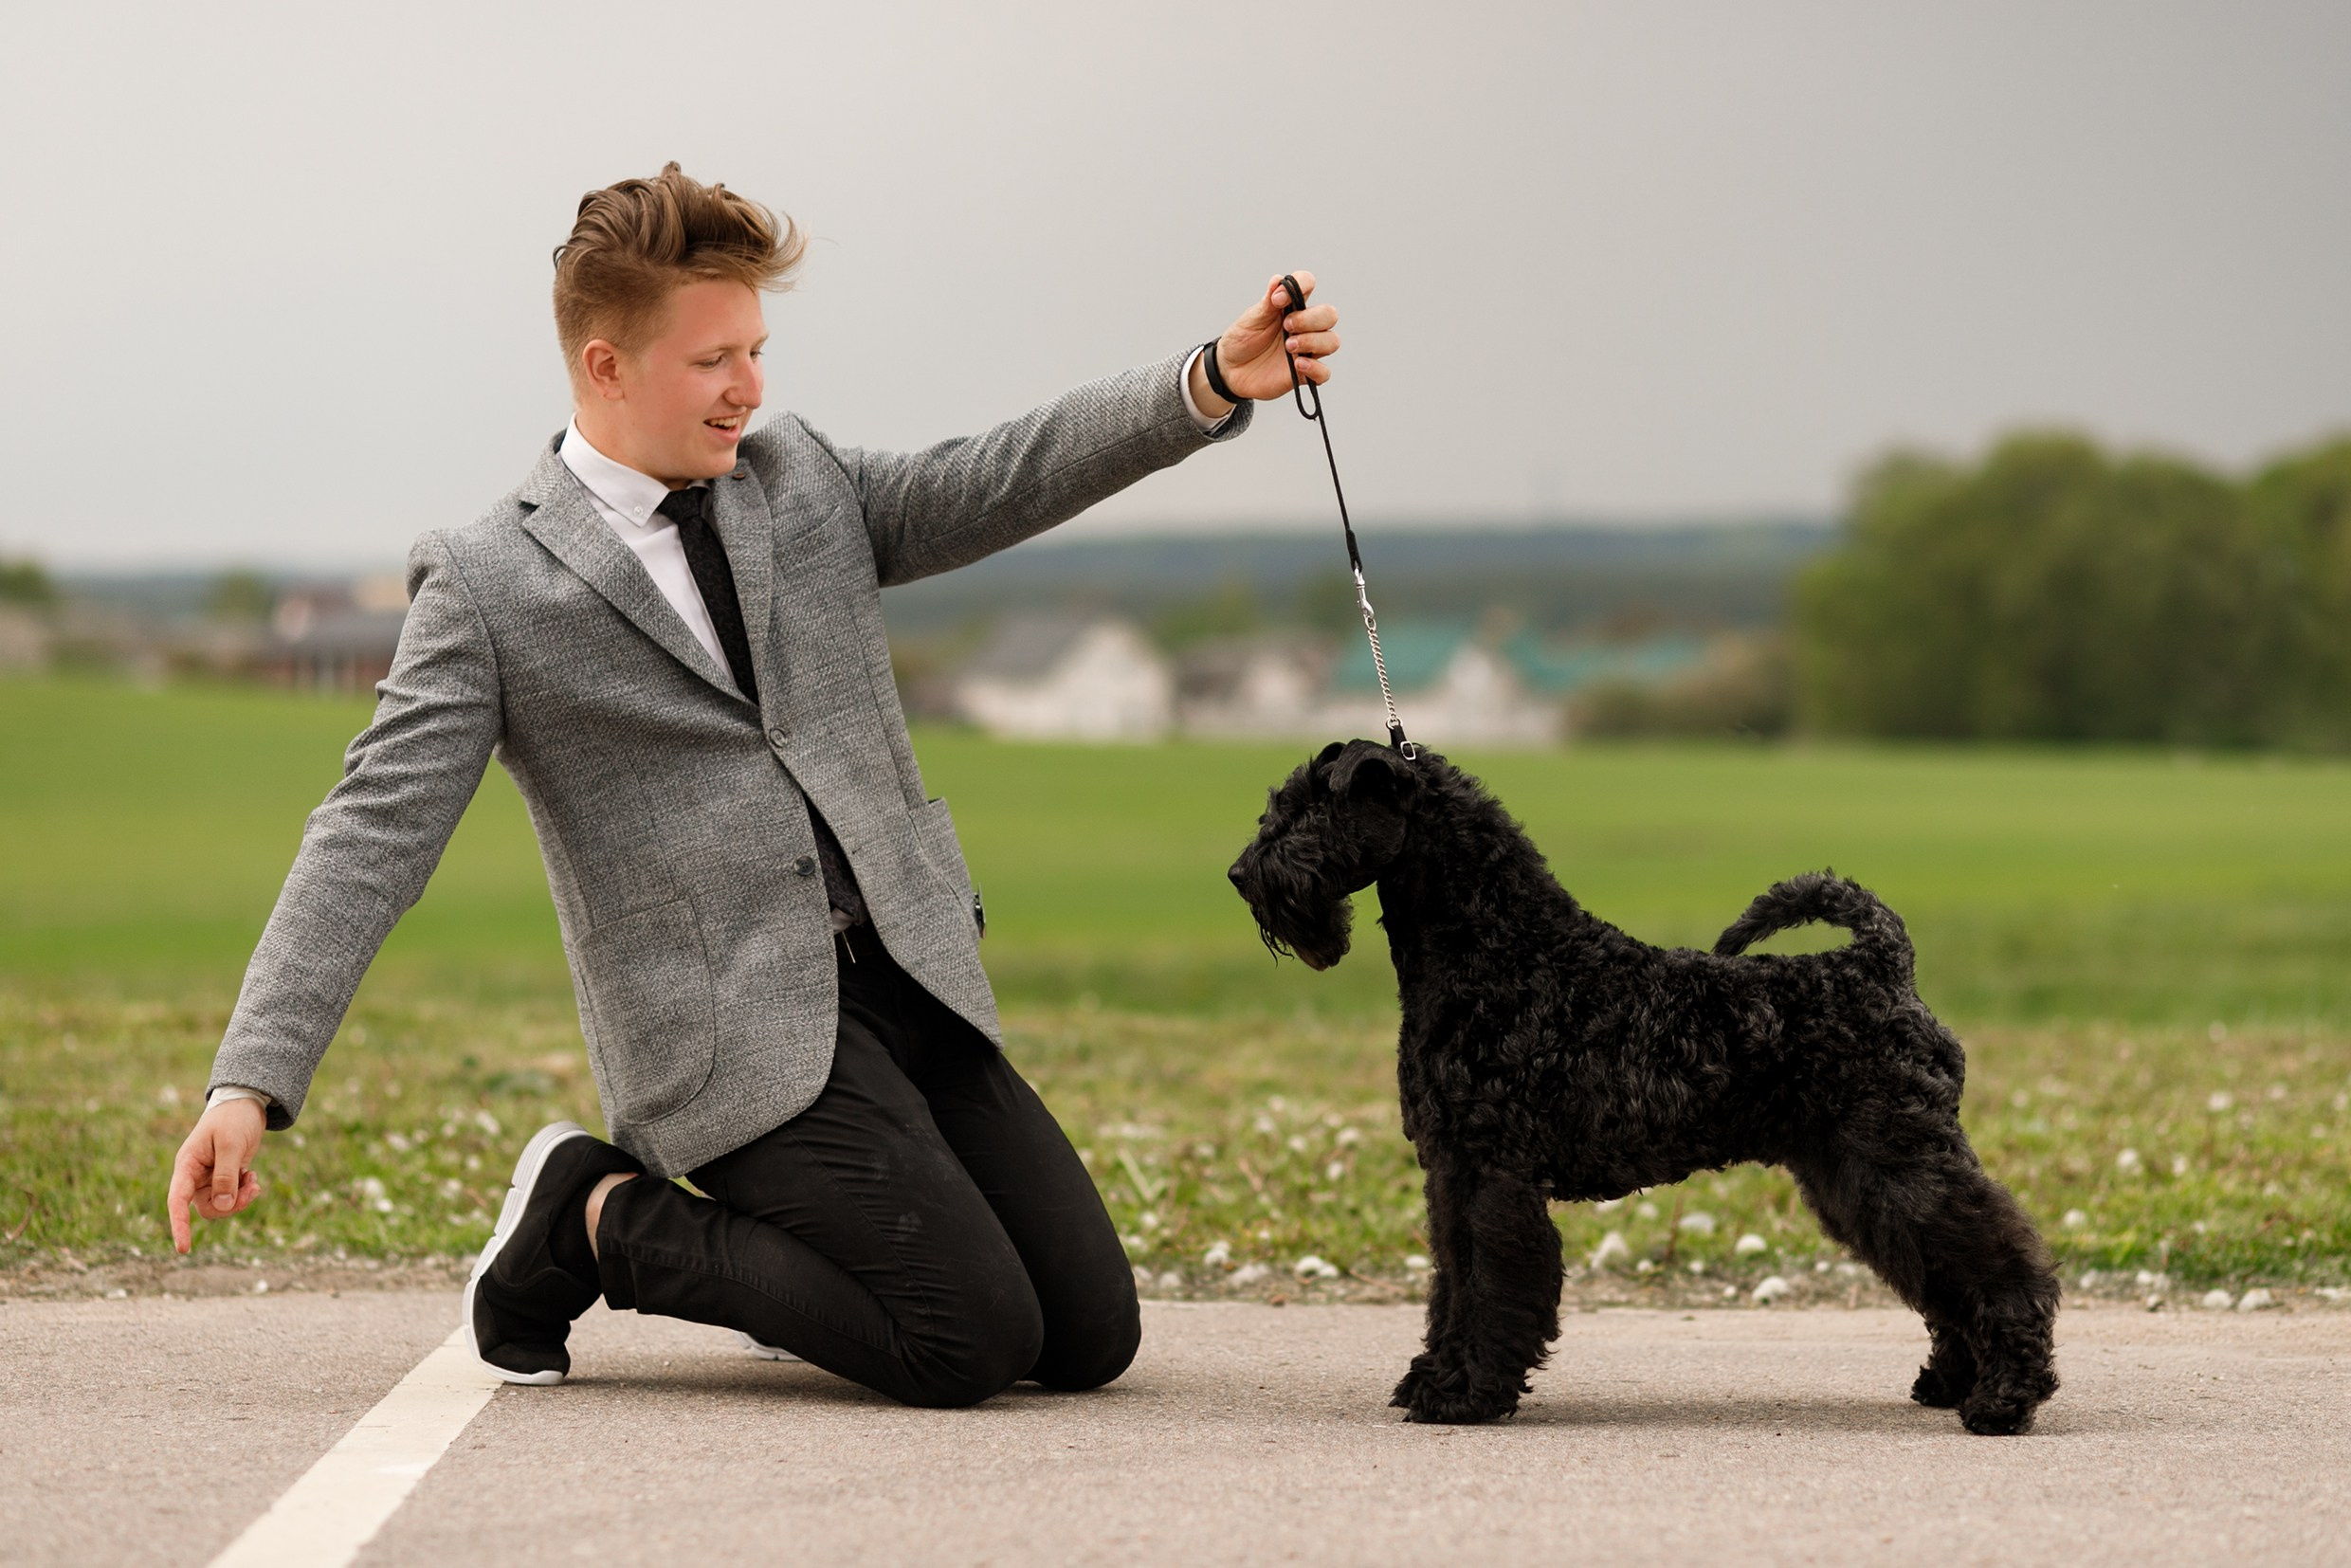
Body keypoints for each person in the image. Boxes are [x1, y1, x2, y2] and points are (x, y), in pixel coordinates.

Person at [162, 163, 1338, 1405]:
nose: (751, 387)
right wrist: (250, 1081)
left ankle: (819, 1262)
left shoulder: (800, 481)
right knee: (969, 1341)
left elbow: (1000, 472)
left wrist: (1205, 379)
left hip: (905, 979)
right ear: (607, 365)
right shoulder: (488, 585)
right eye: (714, 359)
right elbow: (370, 833)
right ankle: (595, 1218)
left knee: (1089, 1337)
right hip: (725, 1033)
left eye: (758, 349)